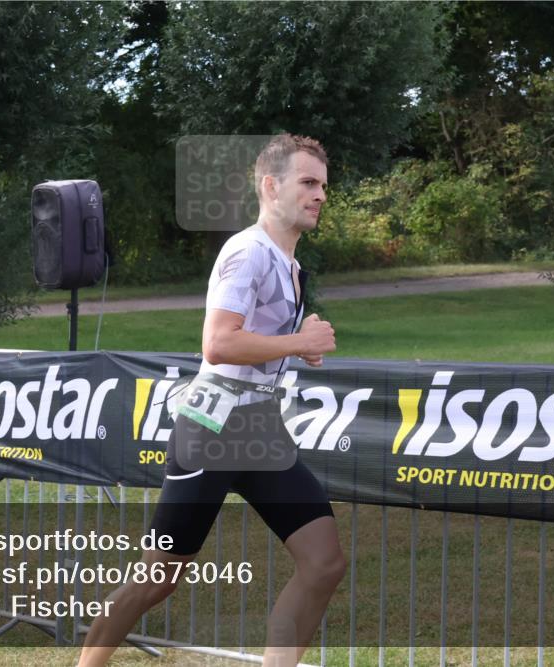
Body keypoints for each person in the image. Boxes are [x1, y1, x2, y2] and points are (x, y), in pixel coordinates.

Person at [78, 134, 344, 667]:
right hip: (213, 431)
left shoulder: (288, 264)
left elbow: (255, 343)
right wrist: (298, 341)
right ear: (271, 187)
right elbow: (219, 344)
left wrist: (297, 340)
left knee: (324, 563)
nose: (320, 195)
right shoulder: (247, 252)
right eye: (307, 183)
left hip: (259, 429)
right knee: (156, 580)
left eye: (322, 185)